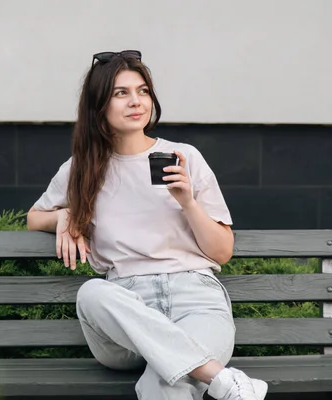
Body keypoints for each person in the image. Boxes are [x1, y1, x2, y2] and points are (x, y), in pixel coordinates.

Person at [27, 50, 268, 400]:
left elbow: (221, 251)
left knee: (165, 382)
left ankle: (204, 373)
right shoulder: (81, 169)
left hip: (195, 303)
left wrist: (187, 202)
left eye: (142, 91)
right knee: (91, 293)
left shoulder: (185, 157)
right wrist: (64, 214)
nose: (135, 101)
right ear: (99, 106)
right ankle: (220, 378)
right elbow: (34, 219)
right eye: (120, 93)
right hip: (125, 316)